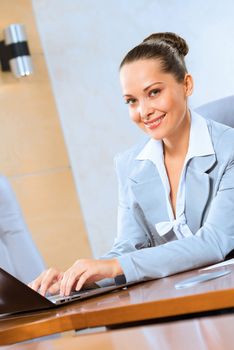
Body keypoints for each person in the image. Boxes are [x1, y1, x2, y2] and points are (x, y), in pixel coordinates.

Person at [29, 32, 234, 297]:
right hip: (172, 300)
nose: (144, 111)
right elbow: (128, 250)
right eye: (132, 101)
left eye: (154, 92)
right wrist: (75, 282)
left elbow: (214, 243)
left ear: (187, 85)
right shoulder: (129, 165)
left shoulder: (229, 149)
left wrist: (114, 265)